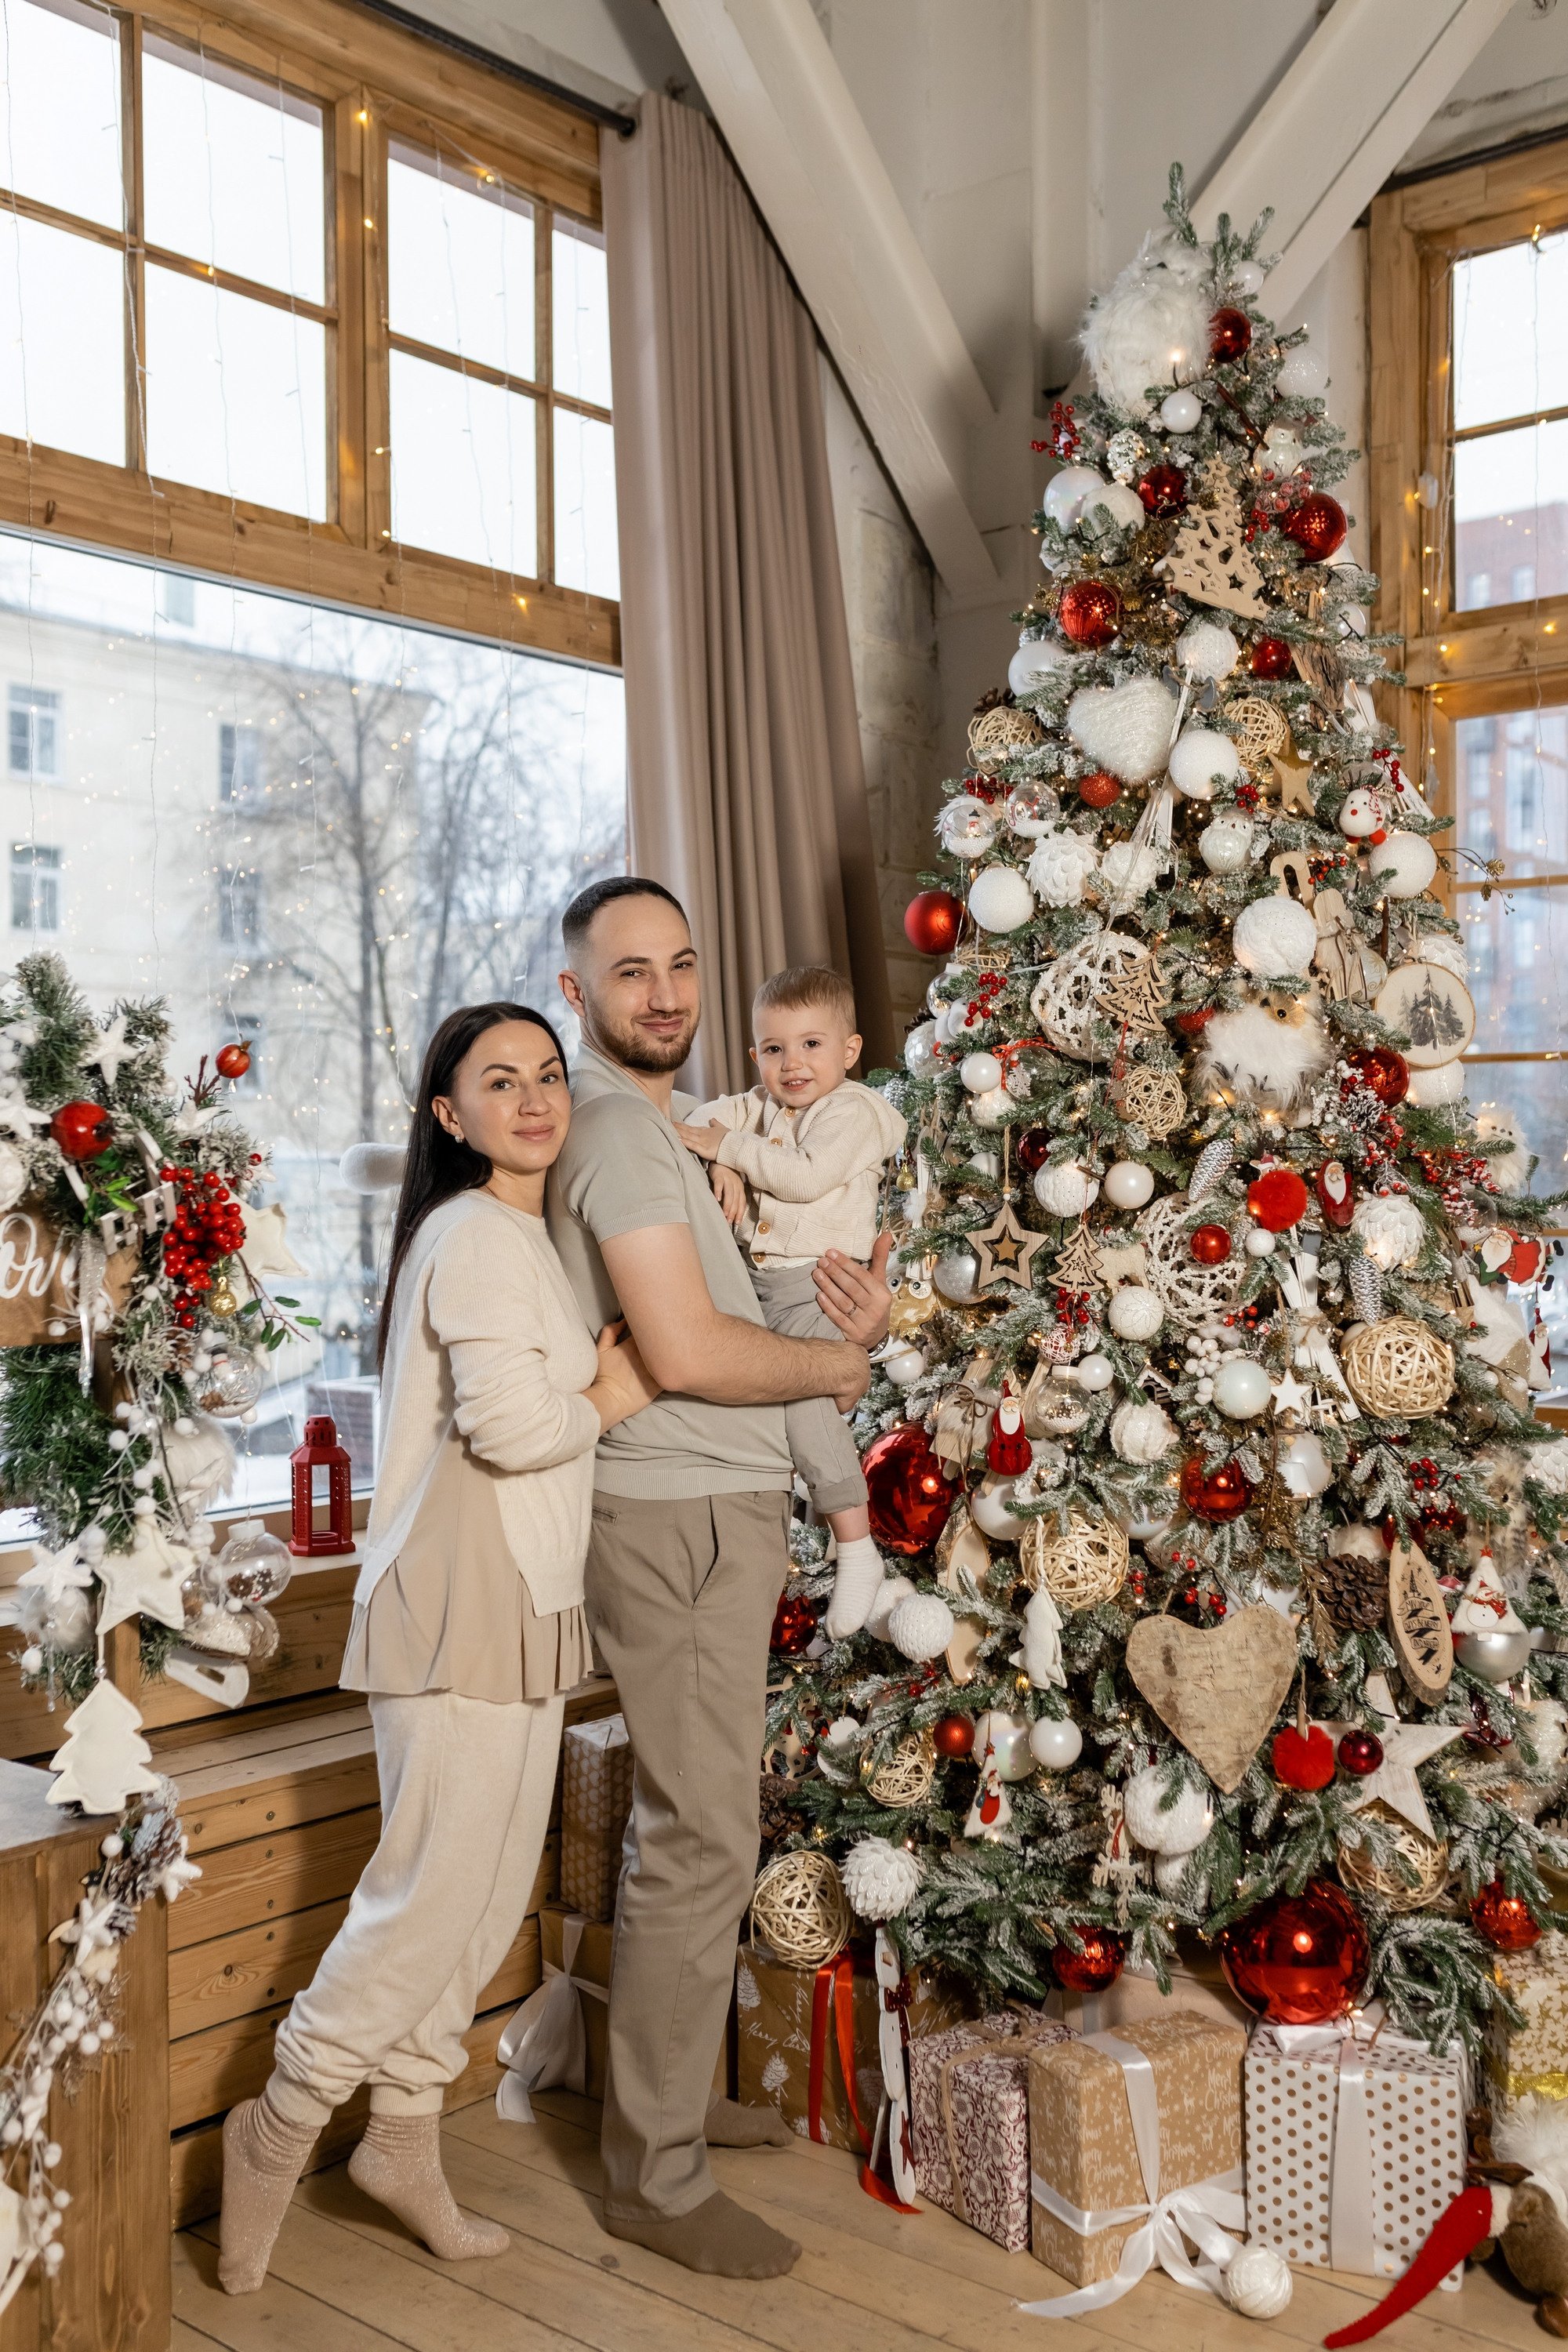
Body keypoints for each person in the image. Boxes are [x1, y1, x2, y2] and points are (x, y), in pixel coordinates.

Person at [217, 1001, 658, 2296]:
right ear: (449, 1114)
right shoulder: (471, 1235)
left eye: (548, 1075)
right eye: (498, 1081)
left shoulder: (522, 1237)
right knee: (424, 1902)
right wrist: (618, 1390)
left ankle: (402, 2141)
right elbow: (516, 1429)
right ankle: (278, 2125)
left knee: (478, 1899)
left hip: (521, 1594)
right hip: (459, 1594)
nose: (533, 1098)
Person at [548, 878, 892, 2282]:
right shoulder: (620, 1135)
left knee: (693, 1827)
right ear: (577, 993)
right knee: (699, 1840)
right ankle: (655, 2177)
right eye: (631, 971)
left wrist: (843, 1320)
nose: (666, 994)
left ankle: (672, 2103)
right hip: (678, 1514)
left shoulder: (673, 1133)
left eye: (682, 964)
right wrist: (840, 1364)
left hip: (717, 1503)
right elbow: (688, 1352)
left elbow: (747, 1299)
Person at [674, 964, 905, 1640]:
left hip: (821, 1284)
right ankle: (806, 1522)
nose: (792, 1063)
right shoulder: (761, 1106)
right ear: (756, 1055)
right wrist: (721, 1159)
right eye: (774, 1049)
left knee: (801, 1395)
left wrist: (730, 1149)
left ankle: (856, 1546)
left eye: (811, 1044)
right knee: (759, 1399)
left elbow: (805, 1178)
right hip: (764, 1289)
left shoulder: (853, 1110)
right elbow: (697, 1119)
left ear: (850, 1051)